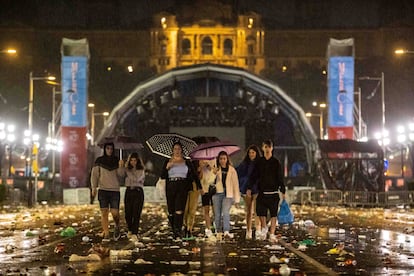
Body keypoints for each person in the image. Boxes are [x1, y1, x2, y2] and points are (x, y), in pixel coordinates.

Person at [161, 142, 202, 239]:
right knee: (171, 211)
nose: (177, 151)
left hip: (183, 186)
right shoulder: (168, 161)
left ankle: (178, 231)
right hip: (171, 185)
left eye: (179, 149)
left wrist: (200, 187)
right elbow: (162, 175)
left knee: (179, 210)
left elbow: (194, 175)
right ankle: (175, 229)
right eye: (175, 149)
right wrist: (167, 167)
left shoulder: (186, 161)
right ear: (172, 150)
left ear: (182, 150)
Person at [247, 139, 286, 242]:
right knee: (261, 213)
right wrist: (249, 187)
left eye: (269, 147)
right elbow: (254, 176)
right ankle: (264, 228)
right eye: (265, 147)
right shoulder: (260, 162)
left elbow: (280, 177)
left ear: (272, 148)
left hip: (273, 192)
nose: (267, 149)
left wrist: (282, 189)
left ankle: (272, 233)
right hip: (262, 192)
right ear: (262, 148)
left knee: (273, 214)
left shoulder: (276, 162)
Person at [90, 142, 123, 241]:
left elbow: (121, 175)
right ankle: (106, 233)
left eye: (111, 149)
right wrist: (94, 187)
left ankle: (117, 225)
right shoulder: (99, 161)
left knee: (115, 212)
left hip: (114, 190)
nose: (109, 150)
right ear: (105, 149)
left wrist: (121, 166)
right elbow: (94, 175)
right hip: (103, 190)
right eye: (107, 148)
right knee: (104, 212)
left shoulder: (117, 160)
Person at [212, 151, 240, 239]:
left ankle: (226, 231)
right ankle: (218, 231)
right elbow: (210, 182)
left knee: (225, 212)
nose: (222, 160)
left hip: (228, 193)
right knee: (217, 213)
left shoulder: (232, 170)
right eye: (220, 159)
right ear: (218, 159)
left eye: (224, 158)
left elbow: (235, 184)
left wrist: (237, 198)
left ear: (227, 159)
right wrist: (214, 173)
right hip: (217, 193)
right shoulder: (215, 169)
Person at [236, 144, 262, 240]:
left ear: (256, 153)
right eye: (250, 152)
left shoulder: (259, 163)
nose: (251, 154)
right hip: (246, 188)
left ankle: (258, 229)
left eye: (253, 152)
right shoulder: (244, 164)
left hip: (257, 188)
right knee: (248, 210)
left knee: (256, 210)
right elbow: (238, 173)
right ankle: (249, 230)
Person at [119, 152, 145, 242]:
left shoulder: (141, 169)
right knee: (128, 213)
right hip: (129, 191)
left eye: (135, 160)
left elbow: (137, 179)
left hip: (138, 192)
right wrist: (121, 166)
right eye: (131, 160)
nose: (133, 162)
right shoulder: (126, 169)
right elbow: (121, 175)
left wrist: (128, 171)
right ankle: (130, 229)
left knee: (136, 213)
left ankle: (135, 232)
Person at [199, 159, 216, 237]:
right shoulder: (200, 160)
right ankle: (208, 229)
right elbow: (199, 177)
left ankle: (216, 226)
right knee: (206, 209)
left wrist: (210, 166)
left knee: (215, 209)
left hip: (214, 187)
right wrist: (202, 168)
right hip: (204, 188)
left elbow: (217, 172)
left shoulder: (215, 159)